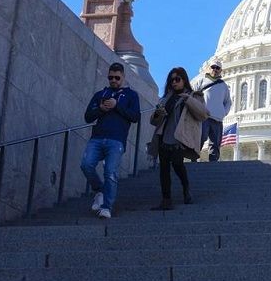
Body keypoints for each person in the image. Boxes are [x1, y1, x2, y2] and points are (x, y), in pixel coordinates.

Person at [81, 62, 141, 219]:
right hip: (98, 137)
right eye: (110, 77)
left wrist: (116, 106)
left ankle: (107, 206)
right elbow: (87, 116)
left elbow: (135, 117)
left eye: (117, 77)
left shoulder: (131, 95)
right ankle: (99, 190)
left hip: (116, 139)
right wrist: (101, 109)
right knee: (86, 165)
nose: (113, 80)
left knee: (110, 172)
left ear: (123, 77)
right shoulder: (100, 94)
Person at [149, 67, 209, 210]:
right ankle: (166, 199)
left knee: (177, 164)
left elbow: (203, 114)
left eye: (177, 79)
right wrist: (158, 113)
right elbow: (153, 121)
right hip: (164, 136)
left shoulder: (194, 96)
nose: (174, 83)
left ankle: (186, 188)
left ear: (184, 80)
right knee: (164, 169)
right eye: (171, 80)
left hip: (181, 137)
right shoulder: (166, 98)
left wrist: (188, 100)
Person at [191, 59, 232, 162]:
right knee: (201, 138)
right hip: (204, 116)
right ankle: (194, 158)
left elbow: (228, 102)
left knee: (215, 143)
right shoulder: (201, 81)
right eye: (213, 67)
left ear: (220, 70)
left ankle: (213, 162)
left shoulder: (223, 85)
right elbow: (192, 94)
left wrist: (223, 112)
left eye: (217, 68)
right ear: (209, 68)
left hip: (217, 119)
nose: (215, 69)